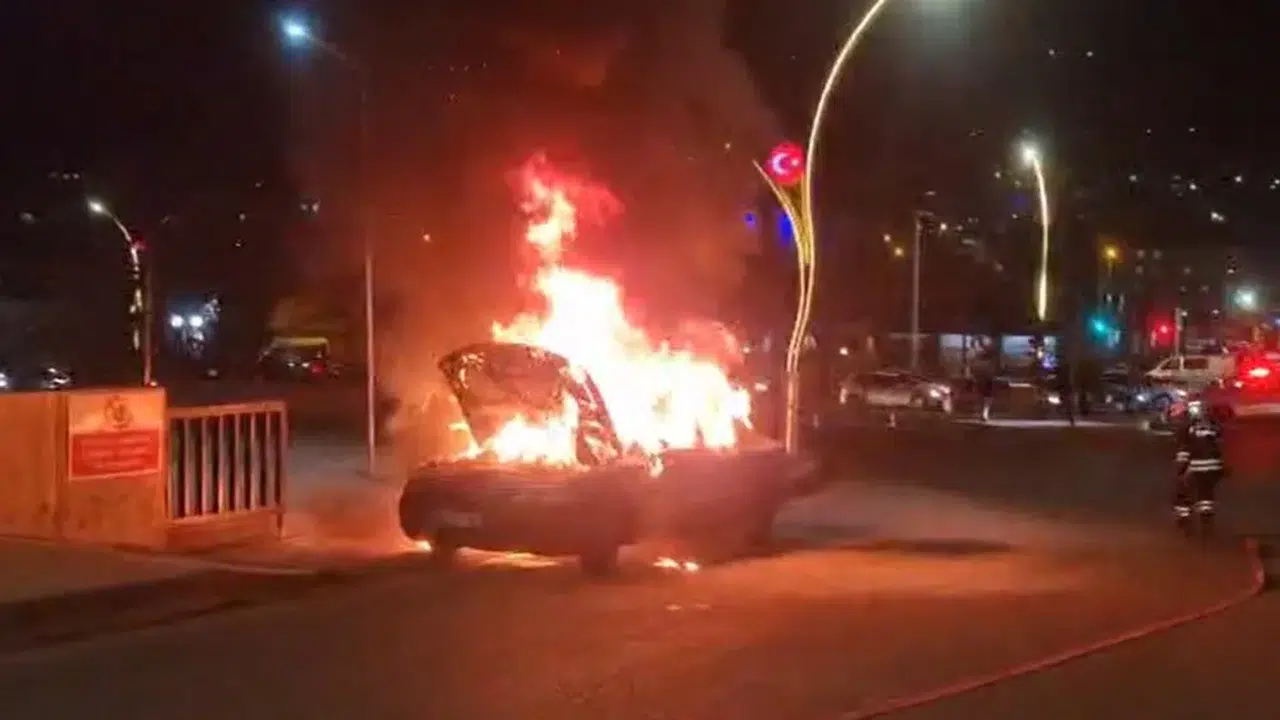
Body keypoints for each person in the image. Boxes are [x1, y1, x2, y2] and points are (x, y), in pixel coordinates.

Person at [1170, 399, 1228, 536]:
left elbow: (1184, 451)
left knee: (1183, 490)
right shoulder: (1212, 426)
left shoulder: (1186, 428)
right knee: (1206, 492)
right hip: (1214, 467)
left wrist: (1181, 469)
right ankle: (1206, 517)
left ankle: (1184, 518)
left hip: (1196, 466)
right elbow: (1219, 444)